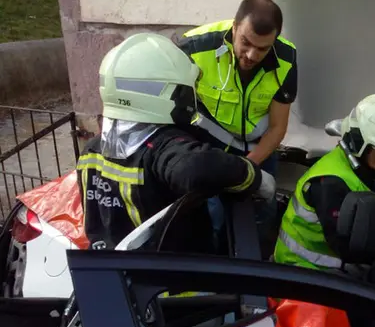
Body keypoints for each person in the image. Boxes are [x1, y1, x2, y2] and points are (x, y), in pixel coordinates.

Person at [76, 32, 274, 253]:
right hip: (174, 279)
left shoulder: (91, 151)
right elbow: (196, 167)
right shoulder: (161, 148)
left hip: (112, 274)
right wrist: (253, 176)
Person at [274, 94, 375, 271]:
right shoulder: (329, 184)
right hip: (302, 272)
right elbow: (349, 246)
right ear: (358, 144)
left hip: (331, 268)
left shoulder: (361, 170)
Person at [177, 0, 296, 175]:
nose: (251, 55)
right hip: (210, 146)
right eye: (246, 42)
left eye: (262, 48)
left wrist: (245, 168)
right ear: (234, 27)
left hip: (260, 148)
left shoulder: (286, 60)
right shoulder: (195, 47)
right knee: (213, 201)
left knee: (263, 197)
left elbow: (277, 127)